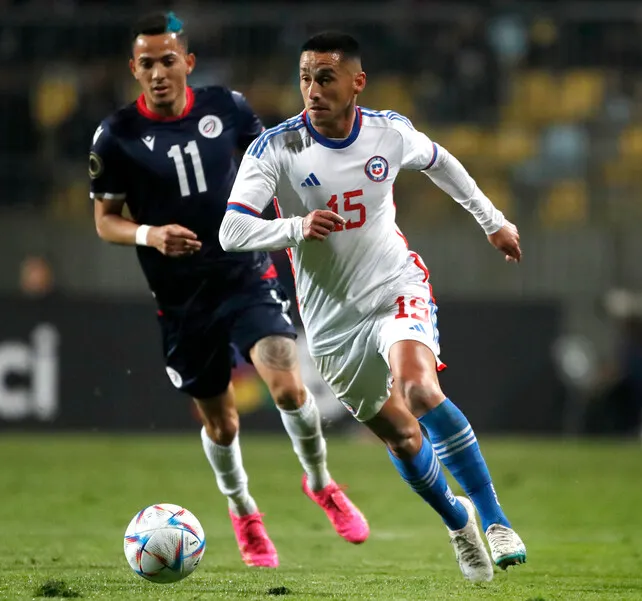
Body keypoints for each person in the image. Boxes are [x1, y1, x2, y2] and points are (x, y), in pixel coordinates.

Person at [219, 32, 527, 582]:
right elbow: (231, 230)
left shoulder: (388, 132)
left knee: (419, 389)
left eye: (326, 77)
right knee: (402, 437)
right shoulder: (277, 148)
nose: (312, 90)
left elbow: (442, 163)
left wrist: (493, 221)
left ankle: (498, 519)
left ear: (357, 82)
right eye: (305, 78)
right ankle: (459, 520)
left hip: (393, 286)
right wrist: (294, 226)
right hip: (331, 324)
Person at [89, 14, 368, 568]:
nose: (159, 72)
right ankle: (244, 512)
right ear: (134, 70)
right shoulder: (115, 137)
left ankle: (321, 482)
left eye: (168, 60)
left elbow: (275, 165)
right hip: (180, 299)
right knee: (221, 422)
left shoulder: (229, 109)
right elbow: (105, 220)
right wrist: (150, 234)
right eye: (147, 63)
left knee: (287, 382)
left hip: (244, 274)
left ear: (187, 62)